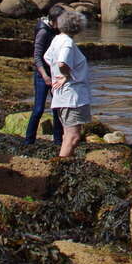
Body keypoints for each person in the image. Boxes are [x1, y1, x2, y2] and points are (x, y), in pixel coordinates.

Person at [43, 8, 91, 158]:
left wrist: (57, 74)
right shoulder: (67, 43)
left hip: (62, 96)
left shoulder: (57, 39)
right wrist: (66, 75)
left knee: (67, 135)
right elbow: (62, 62)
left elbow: (47, 57)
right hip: (71, 97)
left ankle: (63, 162)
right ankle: (59, 166)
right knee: (73, 136)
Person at [24, 4, 64, 146]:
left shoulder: (56, 30)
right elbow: (37, 57)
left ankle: (58, 141)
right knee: (39, 109)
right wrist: (45, 76)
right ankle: (29, 141)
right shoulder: (43, 31)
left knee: (57, 108)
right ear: (53, 20)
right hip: (42, 75)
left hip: (54, 74)